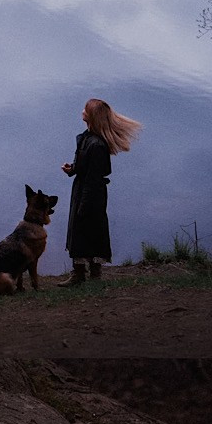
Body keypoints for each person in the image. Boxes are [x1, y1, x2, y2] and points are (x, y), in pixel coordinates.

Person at [60, 100, 141, 288]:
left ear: (92, 116)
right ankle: (79, 273)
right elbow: (83, 167)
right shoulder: (86, 138)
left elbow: (94, 177)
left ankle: (94, 274)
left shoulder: (97, 145)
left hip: (92, 193)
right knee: (78, 231)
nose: (81, 111)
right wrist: (71, 169)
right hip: (82, 190)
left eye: (85, 109)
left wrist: (85, 204)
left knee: (92, 230)